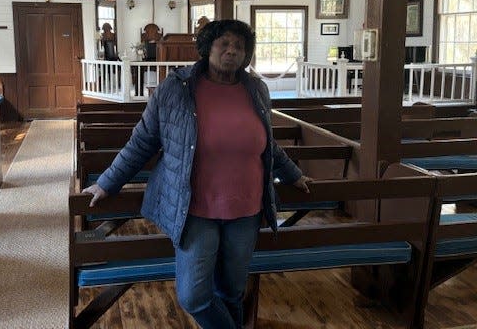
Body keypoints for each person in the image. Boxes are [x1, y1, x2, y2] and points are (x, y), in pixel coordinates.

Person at [82, 19, 312, 329]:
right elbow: (142, 142)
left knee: (232, 292)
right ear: (207, 48)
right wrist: (107, 182)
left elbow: (267, 143)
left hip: (246, 208)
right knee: (193, 295)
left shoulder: (256, 89)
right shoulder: (176, 88)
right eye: (224, 44)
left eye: (240, 46)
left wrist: (293, 174)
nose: (232, 51)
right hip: (195, 209)